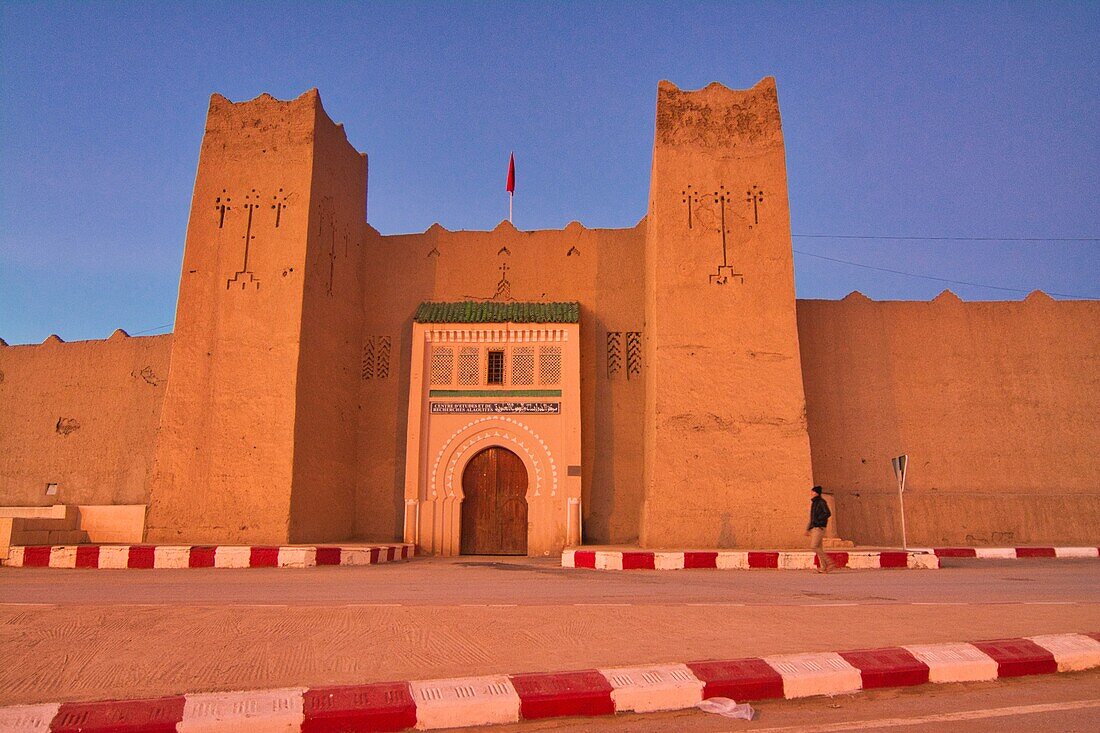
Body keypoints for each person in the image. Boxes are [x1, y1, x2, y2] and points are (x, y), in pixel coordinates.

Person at [806, 485, 835, 573]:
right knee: (819, 548)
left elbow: (827, 513)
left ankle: (829, 562)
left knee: (814, 546)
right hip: (815, 527)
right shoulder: (815, 503)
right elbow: (812, 517)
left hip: (819, 527)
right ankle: (823, 567)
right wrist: (809, 528)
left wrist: (818, 521)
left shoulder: (821, 502)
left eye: (813, 492)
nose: (812, 493)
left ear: (817, 493)